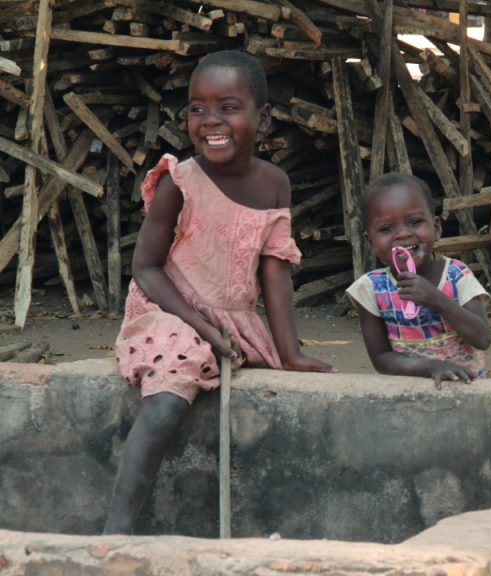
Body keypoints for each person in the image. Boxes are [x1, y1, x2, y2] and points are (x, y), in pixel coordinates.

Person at [105, 51, 335, 534]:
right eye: (197, 108)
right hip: (167, 312)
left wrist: (290, 352)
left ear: (263, 117)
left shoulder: (275, 184)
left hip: (232, 319)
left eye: (227, 106)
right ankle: (114, 534)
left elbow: (274, 270)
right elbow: (145, 268)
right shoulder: (180, 181)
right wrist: (199, 325)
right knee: (168, 398)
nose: (211, 120)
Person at [346, 173, 491, 388]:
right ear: (370, 242)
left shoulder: (457, 275)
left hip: (465, 391)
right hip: (407, 393)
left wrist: (439, 301)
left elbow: (482, 339)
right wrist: (430, 367)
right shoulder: (370, 289)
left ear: (436, 228)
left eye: (415, 222)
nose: (402, 234)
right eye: (386, 229)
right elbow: (380, 358)